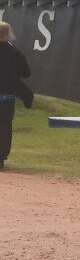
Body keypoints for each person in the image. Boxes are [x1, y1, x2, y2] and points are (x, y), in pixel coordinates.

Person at [0, 21, 33, 170]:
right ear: (8, 34)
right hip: (6, 95)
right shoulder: (14, 52)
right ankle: (1, 158)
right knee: (5, 126)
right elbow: (26, 72)